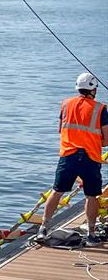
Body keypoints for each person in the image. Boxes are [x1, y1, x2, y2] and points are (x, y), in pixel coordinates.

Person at [36, 73, 108, 246]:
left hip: (68, 155)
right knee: (92, 196)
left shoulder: (66, 104)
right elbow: (106, 139)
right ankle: (91, 235)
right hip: (90, 157)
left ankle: (43, 229)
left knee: (57, 191)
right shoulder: (100, 109)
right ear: (94, 89)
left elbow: (61, 129)